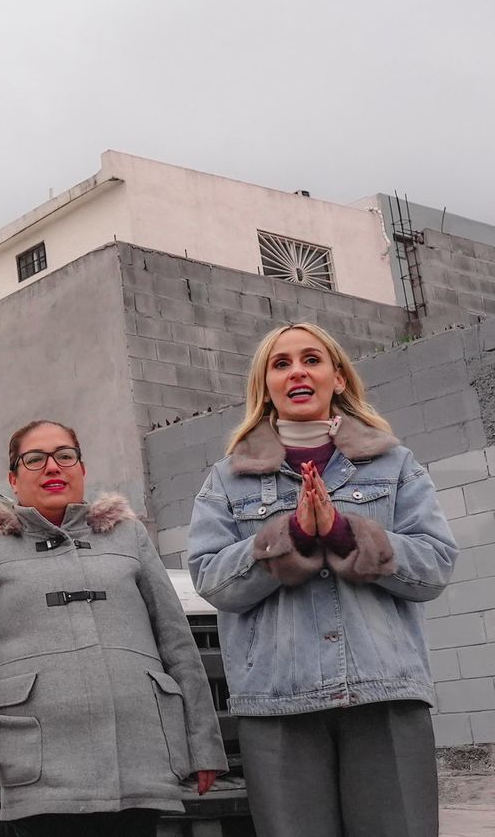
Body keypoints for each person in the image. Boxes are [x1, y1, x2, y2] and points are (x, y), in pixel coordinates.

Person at [187, 322, 458, 837]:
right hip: (277, 701)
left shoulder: (394, 465)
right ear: (265, 386)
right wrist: (290, 533)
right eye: (281, 363)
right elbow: (212, 580)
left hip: (384, 694)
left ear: (338, 377)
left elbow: (435, 566)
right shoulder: (226, 479)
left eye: (311, 359)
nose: (297, 373)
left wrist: (341, 531)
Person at [0, 420, 227, 837]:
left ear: (82, 469)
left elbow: (177, 645)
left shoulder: (127, 535)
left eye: (64, 456)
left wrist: (204, 745)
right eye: (35, 459)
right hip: (40, 765)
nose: (52, 467)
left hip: (139, 754)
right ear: (13, 478)